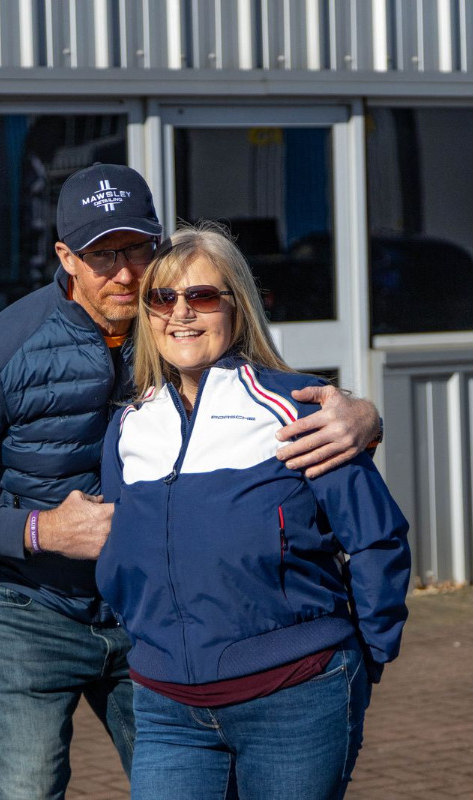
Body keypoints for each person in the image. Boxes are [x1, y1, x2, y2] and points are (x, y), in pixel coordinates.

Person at [0, 164, 382, 800]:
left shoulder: (176, 325)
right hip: (24, 613)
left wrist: (362, 415)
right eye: (103, 255)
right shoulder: (2, 349)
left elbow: (271, 391)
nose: (125, 273)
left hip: (147, 619)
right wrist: (40, 530)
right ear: (66, 257)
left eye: (138, 249)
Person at [96, 222, 411, 800]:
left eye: (202, 296)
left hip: (295, 696)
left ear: (236, 307)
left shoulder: (299, 409)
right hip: (168, 709)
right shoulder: (129, 426)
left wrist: (369, 655)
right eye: (162, 298)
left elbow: (376, 538)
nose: (181, 313)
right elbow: (120, 552)